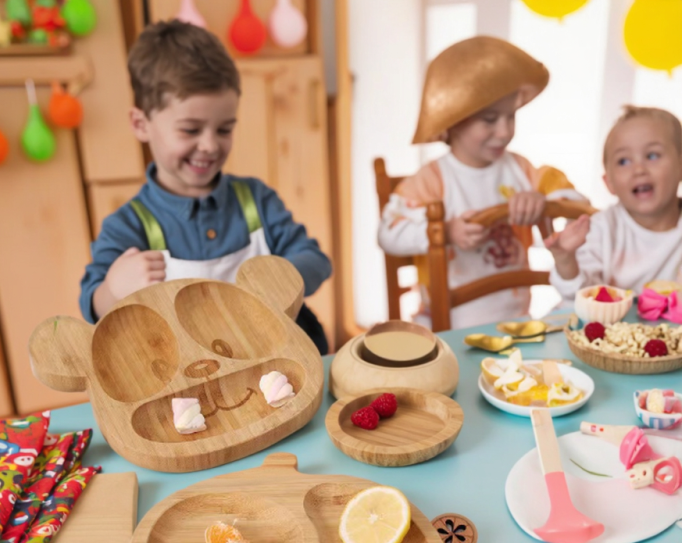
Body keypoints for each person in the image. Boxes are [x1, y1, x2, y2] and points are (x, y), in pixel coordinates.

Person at [79, 20, 331, 354]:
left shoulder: (256, 200)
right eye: (190, 130)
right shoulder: (128, 226)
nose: (210, 145)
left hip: (276, 362)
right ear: (142, 124)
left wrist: (280, 278)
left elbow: (316, 260)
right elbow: (92, 305)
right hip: (191, 380)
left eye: (224, 129)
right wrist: (113, 289)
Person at [378, 36, 587, 329]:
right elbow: (387, 233)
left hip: (517, 321)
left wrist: (544, 203)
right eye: (490, 119)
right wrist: (444, 232)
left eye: (510, 116)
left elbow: (578, 205)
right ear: (451, 121)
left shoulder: (521, 170)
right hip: (444, 327)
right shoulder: (431, 180)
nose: (504, 131)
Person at [547, 106, 682, 298]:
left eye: (652, 155)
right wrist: (566, 259)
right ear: (609, 183)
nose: (638, 169)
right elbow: (578, 295)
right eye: (624, 161)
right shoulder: (600, 229)